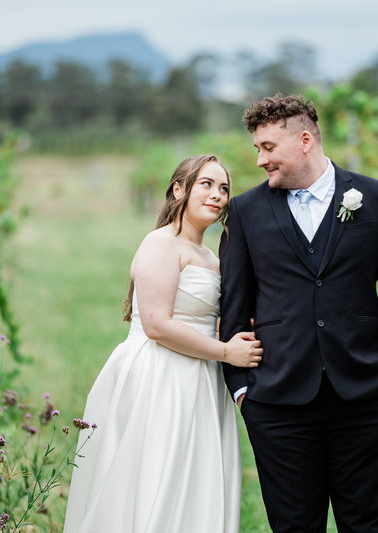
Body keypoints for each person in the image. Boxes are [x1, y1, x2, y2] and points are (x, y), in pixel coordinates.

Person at [218, 95, 378, 533]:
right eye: (257, 149)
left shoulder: (377, 199)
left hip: (367, 395)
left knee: (366, 525)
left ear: (305, 139)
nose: (259, 160)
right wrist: (242, 390)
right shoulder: (245, 212)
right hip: (276, 400)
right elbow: (234, 304)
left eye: (268, 147)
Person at [64, 154, 263, 533]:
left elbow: (210, 316)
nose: (218, 195)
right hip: (160, 377)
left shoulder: (212, 255)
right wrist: (225, 352)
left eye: (224, 188)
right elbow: (157, 324)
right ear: (179, 189)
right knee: (157, 477)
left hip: (200, 381)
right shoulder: (160, 244)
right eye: (206, 184)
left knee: (195, 481)